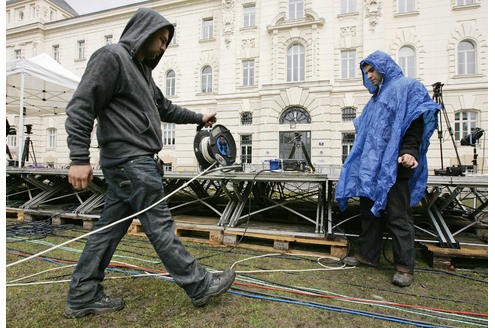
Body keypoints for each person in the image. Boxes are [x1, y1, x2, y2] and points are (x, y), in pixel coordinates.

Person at [64, 8, 235, 318]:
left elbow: (164, 108)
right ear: (144, 31)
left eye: (167, 42)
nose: (163, 47)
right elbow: (80, 106)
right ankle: (198, 284)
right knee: (159, 225)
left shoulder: (142, 73)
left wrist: (199, 118)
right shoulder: (111, 57)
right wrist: (78, 158)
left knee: (108, 230)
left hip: (131, 165)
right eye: (161, 39)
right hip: (131, 163)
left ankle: (82, 293)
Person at [335, 51, 439, 287]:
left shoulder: (407, 86)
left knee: (397, 216)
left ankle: (404, 266)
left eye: (372, 70)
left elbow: (416, 119)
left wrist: (410, 151)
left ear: (384, 67)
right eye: (366, 72)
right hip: (371, 169)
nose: (369, 75)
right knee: (369, 214)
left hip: (395, 165)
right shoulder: (374, 100)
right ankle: (367, 256)